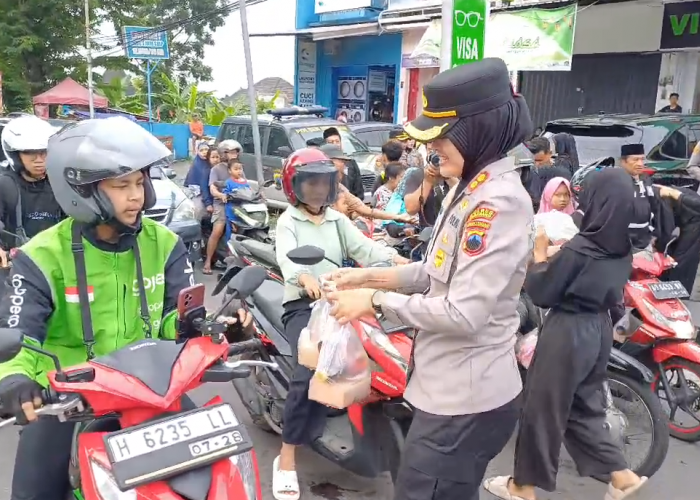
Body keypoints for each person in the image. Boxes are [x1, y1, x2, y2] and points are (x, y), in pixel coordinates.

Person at [0, 117, 254, 500]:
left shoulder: (165, 243)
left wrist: (213, 328)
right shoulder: (39, 258)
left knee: (217, 481)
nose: (137, 196)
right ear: (80, 192)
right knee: (32, 493)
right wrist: (15, 381)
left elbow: (177, 318)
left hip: (151, 391)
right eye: (122, 186)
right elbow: (18, 332)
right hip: (68, 399)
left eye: (140, 183)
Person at [323, 57, 534, 500]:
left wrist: (375, 302)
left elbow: (462, 313)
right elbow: (432, 271)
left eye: (442, 134)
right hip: (447, 390)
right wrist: (368, 276)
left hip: (465, 402)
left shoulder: (498, 203)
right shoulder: (468, 186)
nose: (433, 145)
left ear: (477, 130)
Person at [483, 168, 648, 500]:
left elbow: (542, 291)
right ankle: (622, 475)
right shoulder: (622, 246)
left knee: (541, 409)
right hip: (598, 329)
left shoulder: (582, 248)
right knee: (582, 407)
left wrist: (541, 253)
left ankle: (523, 486)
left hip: (568, 331)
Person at [272, 147, 405, 500]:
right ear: (294, 186)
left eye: (323, 183)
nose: (317, 190)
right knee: (309, 371)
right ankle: (286, 456)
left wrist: (399, 262)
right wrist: (303, 278)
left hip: (339, 299)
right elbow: (288, 260)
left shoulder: (336, 219)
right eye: (310, 183)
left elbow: (367, 250)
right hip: (303, 305)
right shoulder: (288, 222)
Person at [0, 115, 65, 265]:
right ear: (15, 154)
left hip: (56, 263)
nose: (39, 159)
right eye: (30, 152)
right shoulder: (5, 184)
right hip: (14, 265)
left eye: (44, 151)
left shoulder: (60, 184)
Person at [319, 143, 412, 225]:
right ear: (329, 161)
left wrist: (397, 217)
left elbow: (366, 210)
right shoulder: (317, 190)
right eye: (341, 161)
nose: (344, 165)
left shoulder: (340, 188)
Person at [619, 143, 673, 251]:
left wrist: (655, 234)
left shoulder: (645, 179)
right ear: (623, 162)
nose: (640, 164)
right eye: (635, 160)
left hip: (645, 239)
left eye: (642, 159)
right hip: (624, 241)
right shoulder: (617, 182)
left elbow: (654, 206)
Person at [203, 139, 242, 274]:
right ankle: (208, 261)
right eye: (231, 152)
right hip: (221, 204)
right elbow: (213, 188)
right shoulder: (216, 169)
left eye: (236, 152)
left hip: (237, 203)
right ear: (224, 153)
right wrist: (220, 195)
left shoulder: (238, 167)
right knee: (218, 230)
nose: (234, 154)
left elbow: (245, 183)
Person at [654, 185, 700, 295]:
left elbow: (666, 228)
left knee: (682, 260)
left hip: (694, 217)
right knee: (668, 255)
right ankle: (665, 289)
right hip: (683, 208)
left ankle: (676, 295)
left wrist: (676, 195)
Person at [322, 127, 364, 198]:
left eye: (337, 141)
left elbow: (359, 191)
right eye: (331, 142)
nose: (335, 144)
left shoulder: (351, 163)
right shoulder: (323, 165)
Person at [221, 161, 253, 240]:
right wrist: (225, 196)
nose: (239, 171)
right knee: (232, 229)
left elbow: (250, 191)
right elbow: (225, 193)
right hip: (232, 209)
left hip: (243, 209)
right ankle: (229, 246)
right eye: (236, 169)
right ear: (229, 170)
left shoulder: (244, 182)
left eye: (240, 169)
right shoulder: (228, 182)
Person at [184, 142, 214, 220]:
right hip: (197, 192)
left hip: (210, 191)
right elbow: (202, 185)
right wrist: (208, 203)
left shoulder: (212, 162)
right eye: (201, 150)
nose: (204, 152)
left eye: (206, 149)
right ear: (197, 152)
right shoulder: (197, 165)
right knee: (198, 211)